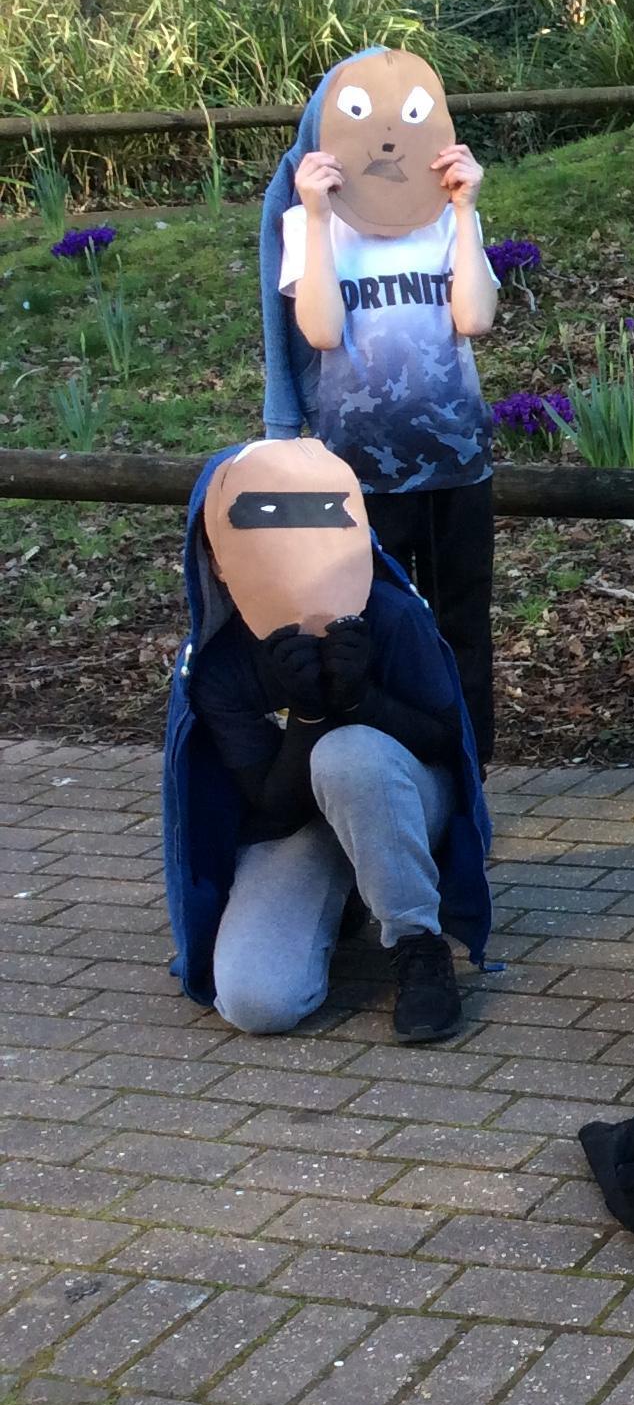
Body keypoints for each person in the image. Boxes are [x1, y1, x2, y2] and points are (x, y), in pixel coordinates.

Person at [163, 447, 492, 1043]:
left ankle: (417, 943)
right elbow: (270, 808)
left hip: (401, 803)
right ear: (215, 559)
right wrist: (311, 714)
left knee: (350, 756)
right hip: (299, 823)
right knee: (258, 1001)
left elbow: (449, 743)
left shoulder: (391, 616)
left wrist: (363, 702)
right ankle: (347, 899)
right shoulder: (217, 662)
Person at [260, 54, 501, 762]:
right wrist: (315, 215)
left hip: (458, 462)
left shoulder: (444, 219)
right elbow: (320, 332)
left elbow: (475, 318)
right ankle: (392, 773)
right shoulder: (311, 227)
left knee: (463, 627)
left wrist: (466, 211)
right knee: (374, 630)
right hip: (360, 474)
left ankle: (467, 779)